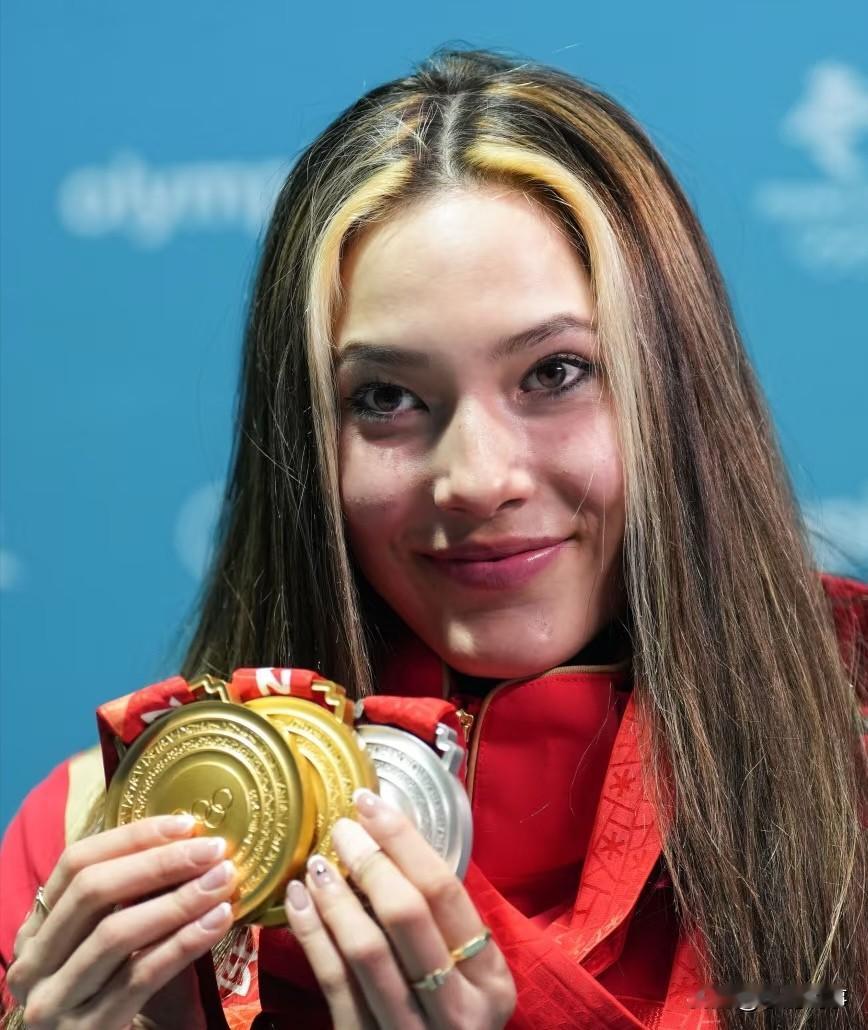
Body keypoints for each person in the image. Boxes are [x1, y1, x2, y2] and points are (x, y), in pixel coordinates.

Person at [1, 45, 865, 1030]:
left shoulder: (850, 747)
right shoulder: (104, 844)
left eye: (555, 373)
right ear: (305, 440)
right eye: (386, 398)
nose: (479, 480)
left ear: (674, 386)